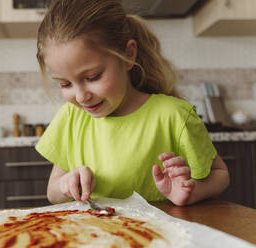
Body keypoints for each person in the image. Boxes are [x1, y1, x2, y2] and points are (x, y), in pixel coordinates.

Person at [35, 0, 229, 206]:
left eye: (93, 77)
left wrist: (192, 191)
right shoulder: (70, 118)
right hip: (93, 236)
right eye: (65, 84)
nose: (81, 97)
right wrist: (66, 184)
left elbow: (220, 174)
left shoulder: (174, 115)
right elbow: (52, 193)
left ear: (128, 54)